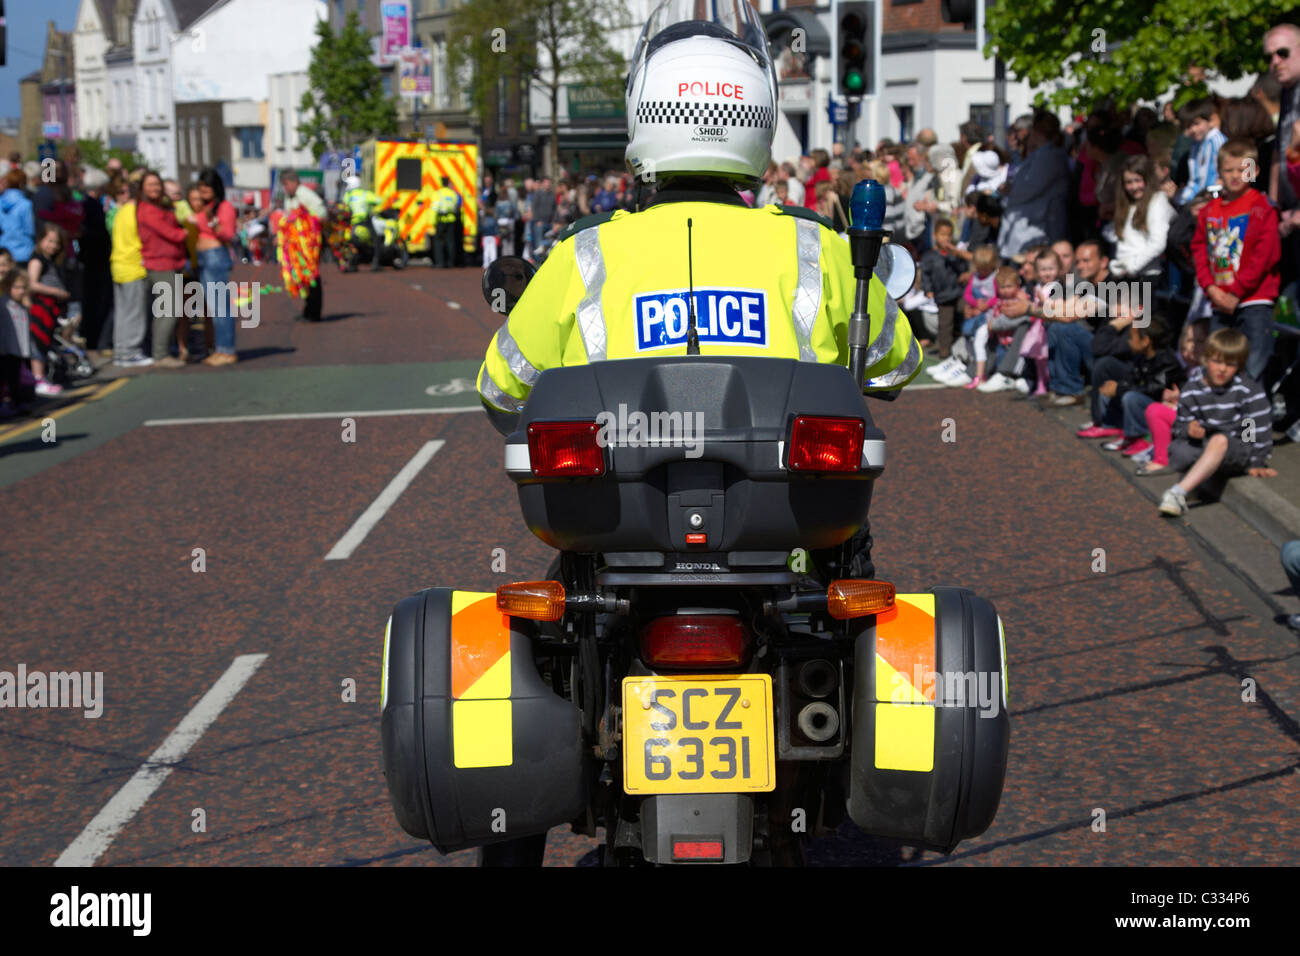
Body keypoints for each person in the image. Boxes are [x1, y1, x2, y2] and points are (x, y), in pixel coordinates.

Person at [476, 0, 918, 579]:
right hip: (795, 527)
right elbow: (897, 364)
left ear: (644, 117)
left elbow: (501, 389)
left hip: (610, 531)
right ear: (758, 120)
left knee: (552, 624)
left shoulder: (582, 253)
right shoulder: (817, 247)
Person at [1158, 328, 1274, 517]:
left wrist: (1257, 460)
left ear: (1240, 365)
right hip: (1205, 443)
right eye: (1217, 361)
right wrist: (1189, 429)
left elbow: (1253, 427)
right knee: (1179, 452)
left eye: (1230, 364)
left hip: (1235, 447)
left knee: (1219, 441)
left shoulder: (1246, 389)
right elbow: (1179, 425)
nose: (1222, 369)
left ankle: (1178, 492)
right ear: (1206, 358)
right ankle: (1200, 476)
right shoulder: (1193, 387)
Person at [1192, 139, 1281, 384]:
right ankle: (1224, 418)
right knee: (1220, 366)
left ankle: (1252, 422)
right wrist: (1210, 288)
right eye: (1228, 170)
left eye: (1242, 169)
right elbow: (1200, 250)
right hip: (1220, 299)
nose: (1235, 176)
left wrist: (1237, 292)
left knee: (1252, 368)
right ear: (1219, 172)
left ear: (1254, 171)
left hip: (1254, 299)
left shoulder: (1262, 207)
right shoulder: (1209, 211)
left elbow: (1265, 256)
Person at [135, 171, 190, 369]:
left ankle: (162, 350)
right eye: (150, 185)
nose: (155, 188)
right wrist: (183, 232)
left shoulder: (160, 207)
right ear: (142, 188)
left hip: (171, 262)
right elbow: (169, 233)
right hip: (159, 263)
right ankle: (160, 354)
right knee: (168, 310)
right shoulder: (147, 210)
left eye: (157, 184)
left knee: (169, 309)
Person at [998, 111, 1070, 258]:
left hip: (1039, 226)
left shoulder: (1050, 156)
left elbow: (1028, 189)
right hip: (1028, 225)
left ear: (1036, 131)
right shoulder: (1040, 154)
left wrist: (1010, 191)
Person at [190, 168, 238, 366]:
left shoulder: (224, 207)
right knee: (213, 308)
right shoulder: (205, 207)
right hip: (204, 258)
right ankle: (221, 349)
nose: (204, 189)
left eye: (207, 185)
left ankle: (227, 350)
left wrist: (211, 220)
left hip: (215, 257)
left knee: (221, 307)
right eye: (201, 185)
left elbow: (227, 234)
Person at [110, 176, 151, 368]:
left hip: (118, 265)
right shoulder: (137, 212)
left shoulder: (122, 211)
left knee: (123, 313)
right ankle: (131, 351)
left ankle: (121, 351)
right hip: (133, 265)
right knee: (134, 313)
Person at [25, 222, 70, 396]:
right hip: (38, 308)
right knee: (38, 341)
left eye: (57, 243)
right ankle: (38, 378)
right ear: (40, 240)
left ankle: (41, 376)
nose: (53, 246)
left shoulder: (50, 260)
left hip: (49, 308)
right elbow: (31, 284)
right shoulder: (37, 259)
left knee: (44, 341)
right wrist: (56, 291)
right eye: (49, 241)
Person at [280, 170, 326, 321]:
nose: (285, 188)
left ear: (293, 182)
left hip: (309, 244)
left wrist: (307, 224)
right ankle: (308, 309)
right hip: (296, 246)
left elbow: (321, 213)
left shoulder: (305, 195)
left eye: (286, 184)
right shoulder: (289, 198)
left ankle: (314, 312)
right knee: (301, 276)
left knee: (311, 275)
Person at [921, 217, 968, 358]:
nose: (946, 238)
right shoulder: (929, 256)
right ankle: (944, 352)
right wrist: (927, 289)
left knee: (964, 313)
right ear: (935, 236)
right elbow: (925, 274)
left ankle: (962, 347)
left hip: (958, 292)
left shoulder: (954, 253)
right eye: (942, 235)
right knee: (945, 324)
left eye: (948, 235)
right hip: (943, 296)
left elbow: (962, 268)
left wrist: (955, 256)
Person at [1176, 98, 1226, 205]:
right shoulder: (1195, 145)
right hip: (1199, 200)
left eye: (1196, 123)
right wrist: (1183, 200)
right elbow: (1195, 179)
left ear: (1211, 121)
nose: (1193, 129)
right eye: (1189, 126)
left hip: (1214, 199)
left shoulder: (1217, 142)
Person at [342, 174, 384, 271]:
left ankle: (353, 264)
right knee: (376, 240)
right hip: (365, 221)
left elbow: (344, 206)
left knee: (351, 243)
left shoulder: (348, 195)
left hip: (351, 223)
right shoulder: (365, 194)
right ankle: (375, 263)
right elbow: (378, 201)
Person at [0, 169, 35, 270]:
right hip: (23, 251)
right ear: (21, 184)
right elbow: (29, 230)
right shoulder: (25, 204)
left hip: (4, 249)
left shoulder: (0, 202)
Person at [433, 175, 461, 268]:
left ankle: (440, 262)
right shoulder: (453, 194)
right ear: (448, 182)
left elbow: (435, 208)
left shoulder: (438, 193)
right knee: (450, 241)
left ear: (442, 183)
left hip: (441, 220)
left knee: (439, 242)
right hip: (451, 220)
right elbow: (457, 206)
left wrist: (433, 222)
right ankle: (451, 262)